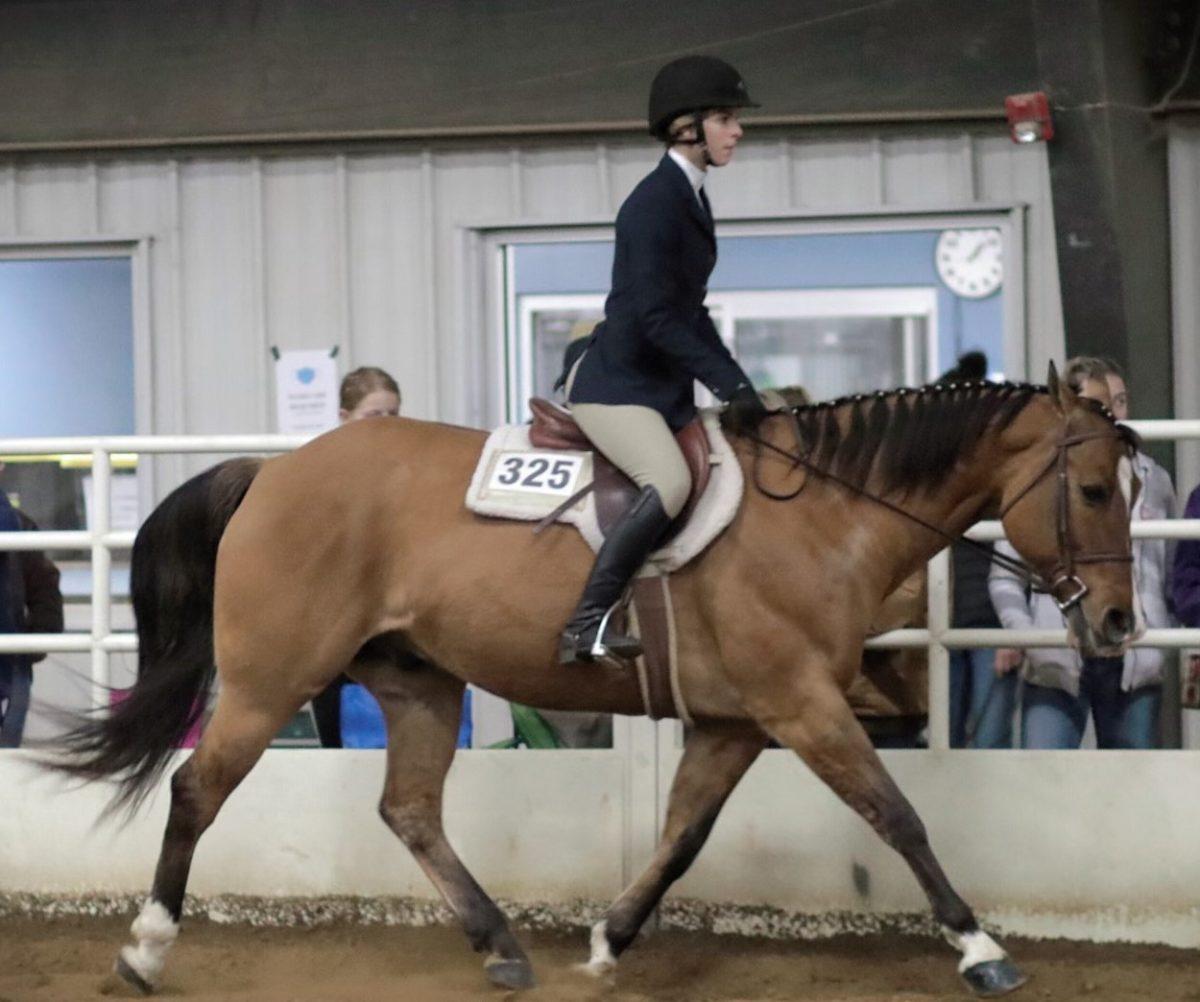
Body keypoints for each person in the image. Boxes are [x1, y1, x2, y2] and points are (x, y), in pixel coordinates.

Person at [559, 54, 769, 666]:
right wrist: (727, 385)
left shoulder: (689, 197)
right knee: (670, 482)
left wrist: (739, 385)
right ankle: (585, 623)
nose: (737, 132)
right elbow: (655, 318)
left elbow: (690, 310)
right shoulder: (654, 203)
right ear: (687, 128)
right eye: (726, 120)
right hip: (616, 387)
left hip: (658, 385)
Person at [989, 357, 1174, 749]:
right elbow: (1005, 576)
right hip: (1056, 662)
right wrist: (1029, 637)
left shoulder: (1155, 480)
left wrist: (1160, 632)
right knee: (1044, 784)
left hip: (1133, 659)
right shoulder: (1038, 482)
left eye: (1118, 402)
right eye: (1097, 406)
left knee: (1130, 789)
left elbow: (1167, 566)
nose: (1111, 415)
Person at [310, 366, 401, 748]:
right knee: (338, 738)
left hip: (390, 623)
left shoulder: (403, 474)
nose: (385, 426)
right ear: (345, 418)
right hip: (335, 626)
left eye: (394, 416)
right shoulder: (320, 474)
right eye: (373, 416)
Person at [937, 352, 1018, 747]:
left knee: (987, 743)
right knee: (945, 741)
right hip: (944, 621)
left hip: (988, 621)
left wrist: (1013, 630)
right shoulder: (929, 473)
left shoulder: (999, 472)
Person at [0, 475, 64, 748]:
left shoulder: (20, 525)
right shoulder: (18, 523)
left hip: (13, 662)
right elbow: (45, 585)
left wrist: (39, 635)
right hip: (15, 664)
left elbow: (43, 585)